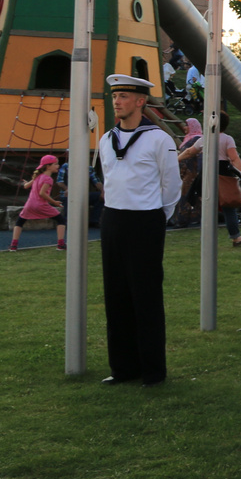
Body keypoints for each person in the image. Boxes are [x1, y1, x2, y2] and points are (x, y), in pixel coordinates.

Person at [95, 74, 180, 386]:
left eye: (124, 96)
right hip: (113, 220)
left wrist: (158, 216)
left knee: (145, 296)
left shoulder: (158, 139)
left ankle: (153, 370)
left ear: (141, 101)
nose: (117, 101)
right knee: (115, 296)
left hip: (145, 221)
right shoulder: (105, 139)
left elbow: (171, 184)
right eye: (115, 96)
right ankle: (123, 368)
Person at [177, 113, 241, 247]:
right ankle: (236, 237)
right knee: (229, 207)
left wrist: (176, 159)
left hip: (207, 173)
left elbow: (189, 152)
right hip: (224, 173)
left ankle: (207, 238)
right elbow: (233, 158)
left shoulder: (205, 139)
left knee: (207, 206)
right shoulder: (227, 139)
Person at [12, 154, 65, 251]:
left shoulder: (37, 176)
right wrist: (54, 202)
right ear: (48, 167)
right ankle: (61, 244)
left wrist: (25, 183)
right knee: (61, 220)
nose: (58, 166)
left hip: (29, 204)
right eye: (56, 164)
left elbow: (26, 186)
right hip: (40, 205)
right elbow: (42, 193)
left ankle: (13, 245)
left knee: (19, 222)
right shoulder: (48, 179)